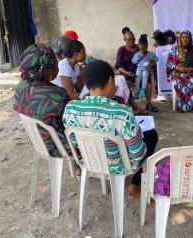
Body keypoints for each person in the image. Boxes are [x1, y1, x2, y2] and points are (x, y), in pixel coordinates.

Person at [62, 60, 158, 198]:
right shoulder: (122, 112)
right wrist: (136, 135)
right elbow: (138, 154)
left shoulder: (71, 108)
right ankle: (135, 184)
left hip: (90, 160)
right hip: (118, 165)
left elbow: (75, 143)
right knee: (151, 135)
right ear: (110, 81)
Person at [14, 44, 70, 157]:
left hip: (37, 141)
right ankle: (79, 167)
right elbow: (69, 124)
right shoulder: (57, 95)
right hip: (58, 147)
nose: (58, 67)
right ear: (49, 70)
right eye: (56, 64)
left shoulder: (20, 87)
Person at [116, 27, 158, 113]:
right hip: (128, 74)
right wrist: (127, 72)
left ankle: (148, 103)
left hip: (141, 73)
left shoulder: (139, 47)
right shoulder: (121, 50)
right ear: (124, 40)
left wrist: (150, 64)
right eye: (128, 40)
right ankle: (134, 107)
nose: (131, 41)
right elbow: (119, 67)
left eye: (133, 39)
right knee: (125, 83)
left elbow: (150, 58)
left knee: (148, 80)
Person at [166, 30, 193, 113]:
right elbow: (169, 63)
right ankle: (183, 105)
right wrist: (177, 68)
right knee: (180, 79)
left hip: (192, 72)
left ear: (190, 39)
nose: (185, 39)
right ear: (180, 39)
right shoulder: (174, 49)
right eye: (183, 37)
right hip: (178, 72)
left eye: (187, 37)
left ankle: (192, 104)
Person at [132, 34, 158, 99]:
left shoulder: (150, 54)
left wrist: (152, 61)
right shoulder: (137, 54)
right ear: (138, 46)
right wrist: (138, 58)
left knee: (144, 77)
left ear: (147, 46)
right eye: (140, 49)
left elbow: (157, 59)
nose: (142, 51)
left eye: (143, 49)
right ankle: (137, 92)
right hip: (139, 69)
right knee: (137, 78)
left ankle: (142, 90)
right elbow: (133, 61)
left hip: (146, 69)